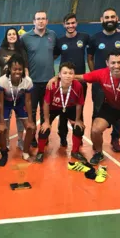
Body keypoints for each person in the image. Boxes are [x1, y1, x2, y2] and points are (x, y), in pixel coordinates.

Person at [87, 7, 120, 153]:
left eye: (112, 17)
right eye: (107, 17)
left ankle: (115, 138)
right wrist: (98, 75)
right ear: (102, 20)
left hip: (118, 82)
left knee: (118, 109)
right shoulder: (95, 38)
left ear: (117, 18)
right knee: (97, 109)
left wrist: (116, 70)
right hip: (99, 84)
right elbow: (90, 58)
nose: (110, 20)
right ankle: (96, 139)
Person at [21, 11, 57, 148]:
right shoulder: (25, 38)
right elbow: (22, 55)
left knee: (46, 111)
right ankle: (32, 137)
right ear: (33, 21)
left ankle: (44, 136)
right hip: (32, 82)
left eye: (43, 19)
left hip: (48, 81)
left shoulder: (52, 36)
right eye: (38, 19)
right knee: (31, 111)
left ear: (47, 21)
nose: (40, 21)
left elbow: (56, 52)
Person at [37, 62, 86, 163]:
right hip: (53, 108)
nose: (68, 76)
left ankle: (75, 151)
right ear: (59, 75)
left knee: (79, 128)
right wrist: (46, 121)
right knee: (44, 129)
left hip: (69, 107)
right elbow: (46, 103)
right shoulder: (52, 86)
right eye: (65, 73)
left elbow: (79, 104)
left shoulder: (78, 86)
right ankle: (40, 152)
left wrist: (77, 120)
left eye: (70, 73)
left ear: (74, 75)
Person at [53, 13, 89, 147]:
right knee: (64, 109)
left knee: (80, 108)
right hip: (64, 82)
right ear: (64, 25)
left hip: (80, 82)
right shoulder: (60, 41)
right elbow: (52, 56)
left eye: (73, 23)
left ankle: (78, 136)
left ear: (77, 23)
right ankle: (62, 136)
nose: (70, 26)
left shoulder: (84, 38)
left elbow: (92, 54)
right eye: (68, 23)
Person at [0, 54, 35, 166]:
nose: (17, 72)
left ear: (23, 69)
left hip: (20, 102)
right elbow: (0, 102)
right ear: (9, 69)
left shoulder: (27, 81)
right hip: (5, 103)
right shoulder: (2, 81)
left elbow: (28, 101)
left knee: (30, 127)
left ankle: (26, 152)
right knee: (2, 129)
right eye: (14, 69)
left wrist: (31, 120)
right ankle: (4, 153)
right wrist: (2, 122)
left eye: (20, 69)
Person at [0, 28, 28, 150]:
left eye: (14, 34)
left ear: (17, 37)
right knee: (4, 117)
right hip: (5, 90)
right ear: (6, 37)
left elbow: (26, 69)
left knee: (21, 117)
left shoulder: (22, 51)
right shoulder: (1, 52)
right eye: (9, 34)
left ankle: (20, 140)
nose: (12, 36)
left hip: (20, 90)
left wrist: (26, 82)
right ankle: (6, 141)